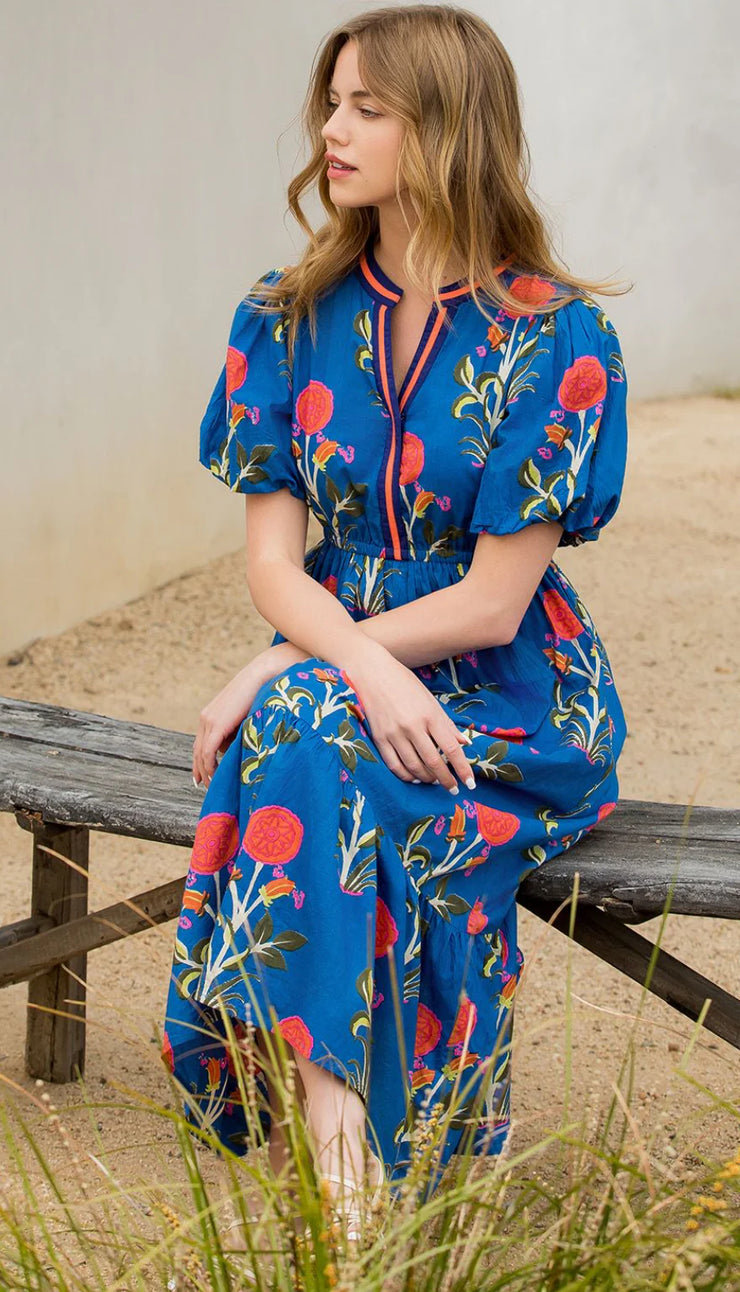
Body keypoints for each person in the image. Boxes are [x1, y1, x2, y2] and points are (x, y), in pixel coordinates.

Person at [161, 2, 629, 1239]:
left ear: (450, 128)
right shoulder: (281, 313)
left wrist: (287, 665)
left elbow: (491, 598)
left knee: (302, 735)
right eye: (331, 101)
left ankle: (347, 1188)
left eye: (369, 107)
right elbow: (273, 563)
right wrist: (332, 662)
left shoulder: (555, 335)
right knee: (317, 738)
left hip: (508, 696)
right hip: (358, 682)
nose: (332, 129)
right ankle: (352, 1180)